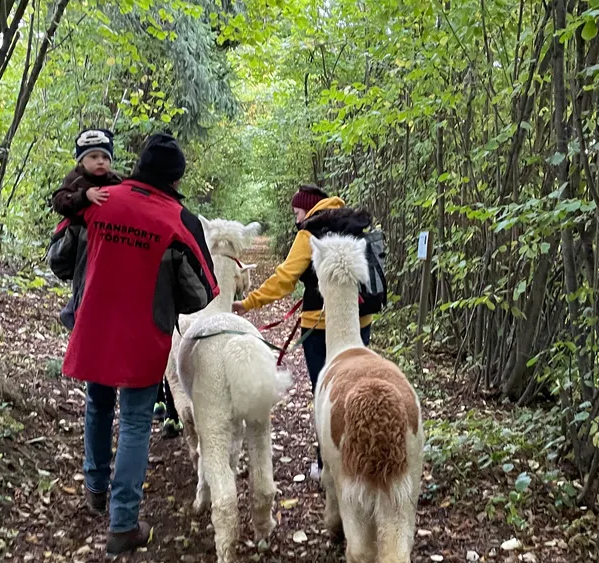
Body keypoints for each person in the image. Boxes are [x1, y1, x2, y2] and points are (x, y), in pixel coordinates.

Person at [56, 132, 219, 556]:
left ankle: (95, 487)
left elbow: (59, 260)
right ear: (176, 178)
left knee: (97, 403)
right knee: (132, 423)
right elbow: (202, 293)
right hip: (144, 334)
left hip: (93, 325)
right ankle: (123, 523)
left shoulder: (98, 199)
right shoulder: (179, 219)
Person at [232, 184, 373, 482]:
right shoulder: (351, 224)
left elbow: (285, 279)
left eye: (297, 211)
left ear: (308, 208)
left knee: (326, 395)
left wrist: (249, 302)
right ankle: (357, 462)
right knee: (354, 390)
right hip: (360, 320)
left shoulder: (310, 231)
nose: (296, 218)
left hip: (321, 325)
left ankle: (327, 469)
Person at [48, 128, 182, 436]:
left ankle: (96, 480)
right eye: (93, 157)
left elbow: (60, 262)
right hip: (127, 308)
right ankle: (118, 484)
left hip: (99, 306)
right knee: (132, 413)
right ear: (81, 161)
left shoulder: (117, 186)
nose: (100, 163)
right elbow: (61, 203)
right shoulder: (76, 186)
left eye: (104, 157)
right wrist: (84, 199)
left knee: (101, 400)